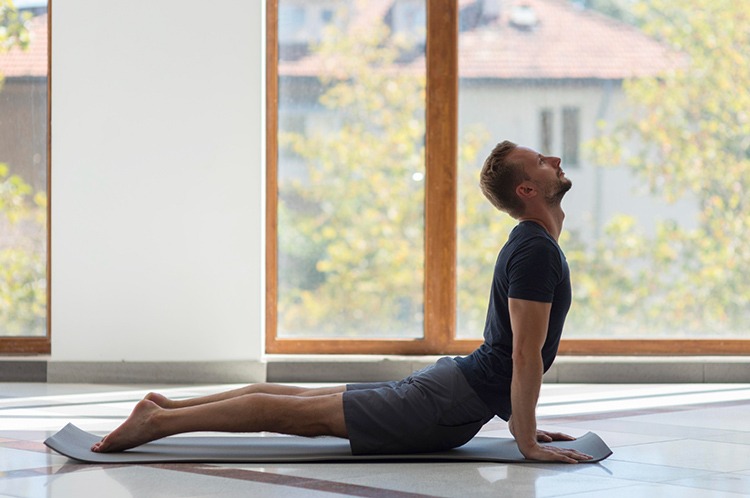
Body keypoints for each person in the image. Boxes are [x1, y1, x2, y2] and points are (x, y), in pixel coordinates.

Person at [92, 141, 591, 464]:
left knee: (302, 400)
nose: (555, 159)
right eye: (543, 162)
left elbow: (510, 353)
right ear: (527, 189)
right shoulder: (534, 251)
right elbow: (524, 354)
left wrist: (520, 419)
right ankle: (158, 423)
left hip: (455, 387)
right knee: (298, 414)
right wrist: (524, 439)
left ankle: (166, 407)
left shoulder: (530, 245)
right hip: (450, 400)